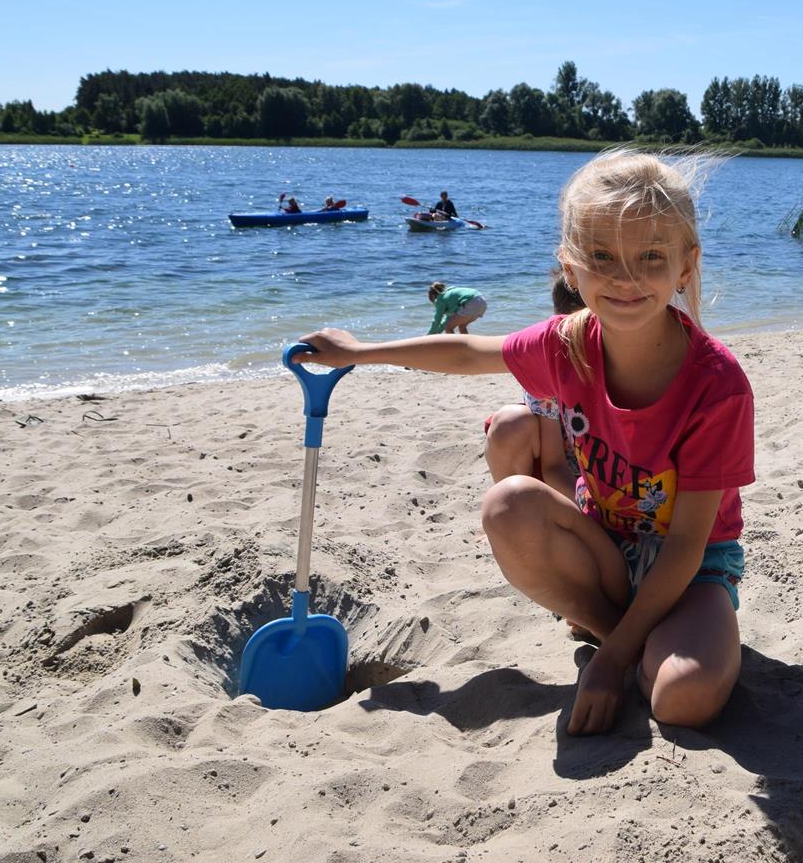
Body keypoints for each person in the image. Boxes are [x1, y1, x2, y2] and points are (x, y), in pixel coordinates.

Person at [295, 149, 753, 735]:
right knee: (508, 503)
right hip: (604, 549)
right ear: (570, 266)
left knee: (683, 700)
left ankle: (626, 642)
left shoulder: (716, 385)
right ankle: (614, 629)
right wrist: (359, 352)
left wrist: (609, 663)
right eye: (602, 256)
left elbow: (687, 544)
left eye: (651, 257)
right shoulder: (566, 343)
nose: (625, 278)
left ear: (686, 266)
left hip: (691, 571)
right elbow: (469, 352)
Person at [484, 268, 587, 502]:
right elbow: (553, 465)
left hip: (616, 479)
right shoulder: (550, 363)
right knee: (511, 421)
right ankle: (516, 509)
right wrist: (586, 510)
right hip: (563, 477)